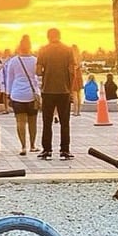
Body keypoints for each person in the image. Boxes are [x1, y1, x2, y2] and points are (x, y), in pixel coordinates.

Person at [36, 27, 75, 160]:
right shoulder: (68, 50)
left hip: (47, 90)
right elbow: (72, 71)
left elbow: (38, 71)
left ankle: (47, 150)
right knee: (65, 122)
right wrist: (69, 88)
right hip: (64, 91)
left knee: (47, 122)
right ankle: (65, 150)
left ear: (48, 36)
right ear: (59, 35)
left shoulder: (43, 50)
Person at [3, 34, 41, 155]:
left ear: (19, 47)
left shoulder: (13, 61)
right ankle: (33, 145)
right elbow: (37, 78)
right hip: (31, 94)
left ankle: (23, 146)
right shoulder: (35, 60)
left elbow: (10, 79)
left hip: (17, 94)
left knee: (20, 122)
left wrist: (8, 94)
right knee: (33, 121)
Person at [70, 45, 84, 117]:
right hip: (79, 76)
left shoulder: (73, 57)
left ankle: (75, 111)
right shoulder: (80, 57)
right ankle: (78, 111)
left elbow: (74, 68)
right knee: (79, 95)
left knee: (74, 94)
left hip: (74, 76)